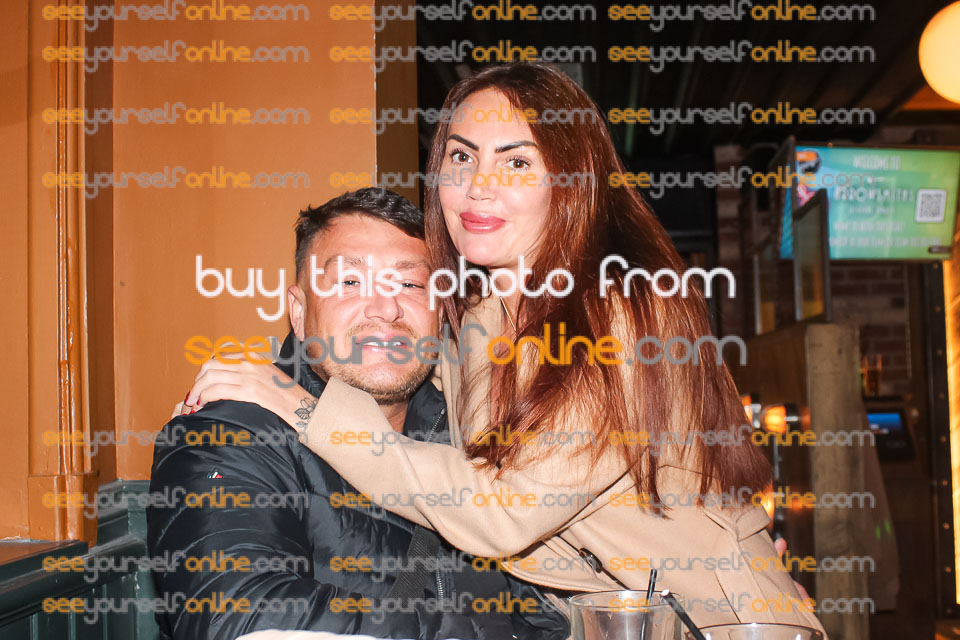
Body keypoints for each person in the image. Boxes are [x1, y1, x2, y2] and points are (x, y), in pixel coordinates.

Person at [183, 62, 826, 633]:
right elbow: (390, 353)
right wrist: (247, 384)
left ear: (571, 181)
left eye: (516, 162)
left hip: (710, 625)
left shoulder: (624, 309)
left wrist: (298, 406)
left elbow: (501, 512)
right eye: (461, 158)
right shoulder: (486, 318)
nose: (478, 186)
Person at [149, 188, 569, 640]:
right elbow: (240, 616)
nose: (385, 308)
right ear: (298, 312)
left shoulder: (472, 434)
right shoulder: (229, 433)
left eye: (410, 284)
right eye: (350, 282)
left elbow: (543, 616)